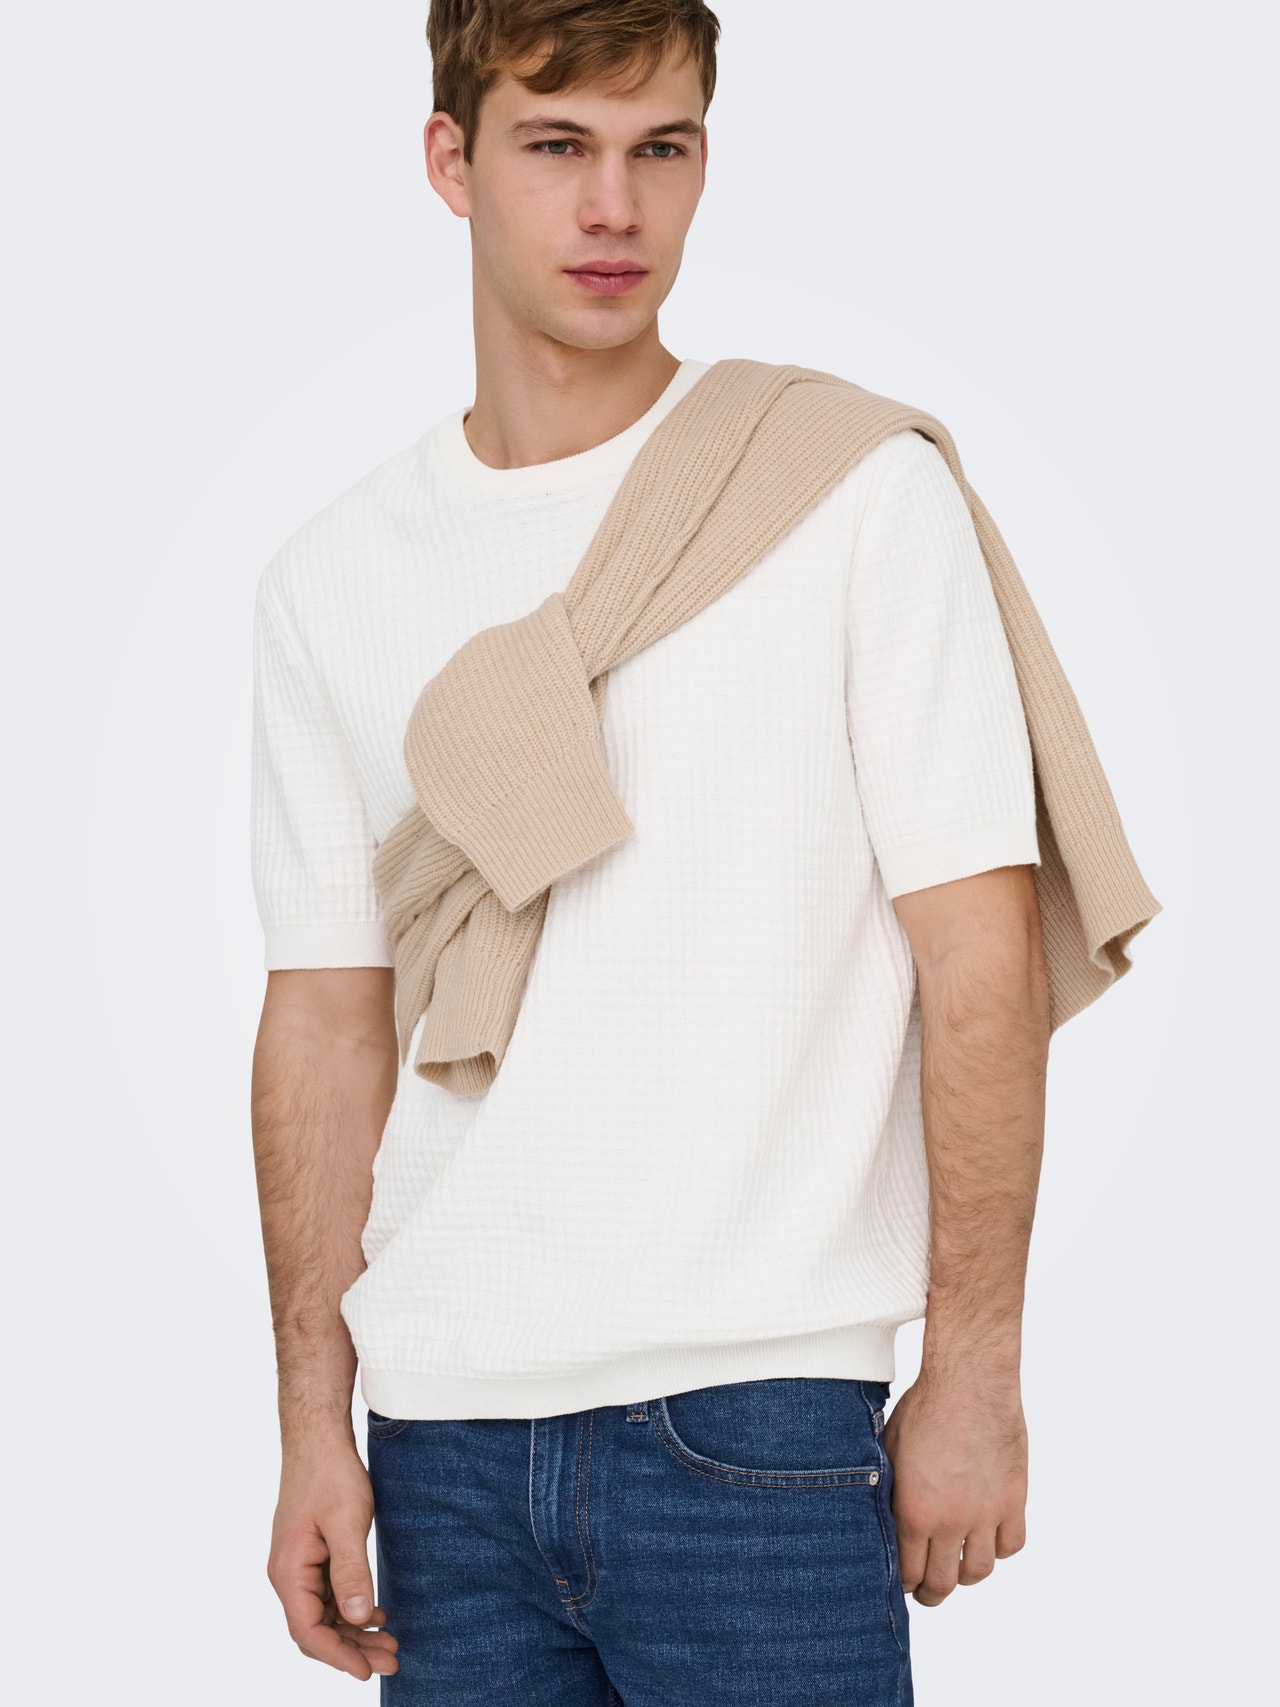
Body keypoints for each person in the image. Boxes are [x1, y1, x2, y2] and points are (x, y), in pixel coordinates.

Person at [249, 3, 1050, 1701]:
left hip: (758, 1418)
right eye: (558, 147)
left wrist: (976, 1364)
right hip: (442, 1441)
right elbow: (324, 1020)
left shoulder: (846, 494)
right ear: (452, 161)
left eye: (659, 149)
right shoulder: (334, 574)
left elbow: (978, 949)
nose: (615, 207)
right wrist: (316, 1421)